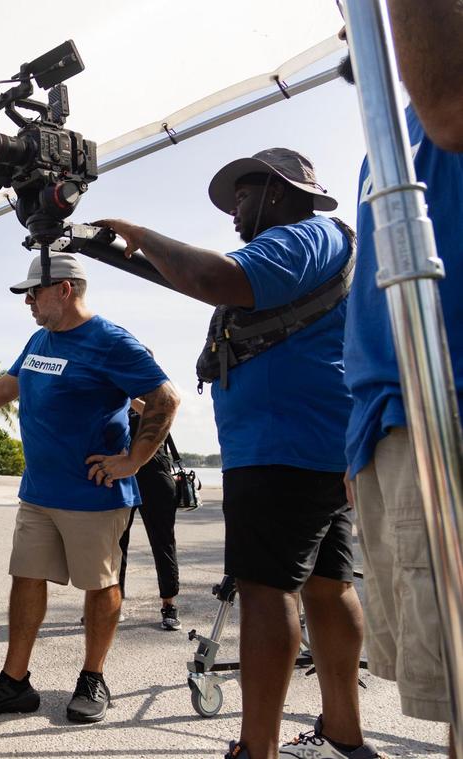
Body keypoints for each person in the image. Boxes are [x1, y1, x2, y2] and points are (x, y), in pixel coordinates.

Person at [97, 148, 377, 759]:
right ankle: (344, 738)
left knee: (265, 590)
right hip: (319, 442)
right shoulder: (319, 245)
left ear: (277, 192)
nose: (233, 212)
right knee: (329, 586)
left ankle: (258, 749)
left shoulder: (303, 236)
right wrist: (137, 258)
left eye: (242, 197)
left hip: (279, 445)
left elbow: (216, 279)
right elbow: (214, 280)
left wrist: (140, 232)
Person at [0, 252, 180, 724]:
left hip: (93, 495)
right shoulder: (40, 338)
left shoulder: (111, 341)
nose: (28, 301)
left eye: (34, 292)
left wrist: (132, 461)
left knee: (100, 584)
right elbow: (10, 385)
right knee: (25, 579)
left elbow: (165, 398)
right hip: (40, 493)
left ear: (65, 290)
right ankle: (14, 682)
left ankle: (92, 677)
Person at [341, 2, 463, 756]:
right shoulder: (381, 144)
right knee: (443, 680)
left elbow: (450, 102)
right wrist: (359, 446)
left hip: (447, 403)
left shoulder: (440, 114)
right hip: (388, 421)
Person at [116, 405, 182, 631]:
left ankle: (169, 606)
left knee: (163, 542)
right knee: (116, 543)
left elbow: (162, 412)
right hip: (121, 475)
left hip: (155, 475)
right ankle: (113, 604)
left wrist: (131, 395)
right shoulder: (113, 390)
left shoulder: (153, 388)